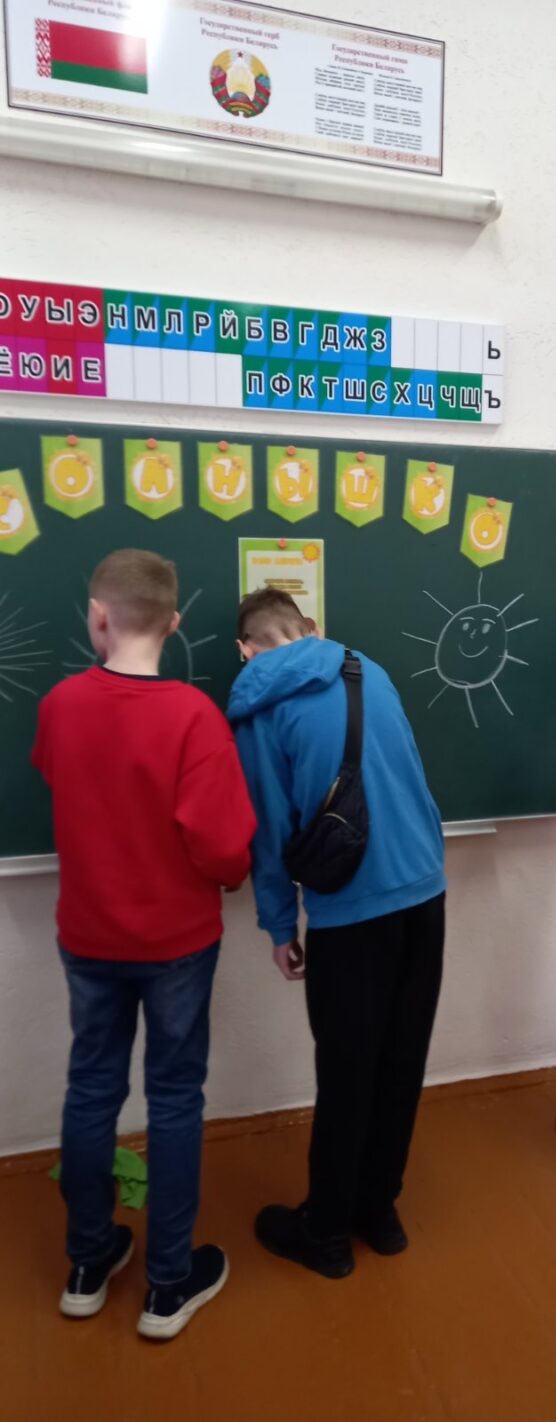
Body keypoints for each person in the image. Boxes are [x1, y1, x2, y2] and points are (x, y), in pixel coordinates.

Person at [33, 550, 256, 1339]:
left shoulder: (60, 705)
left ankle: (88, 1264)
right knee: (174, 1098)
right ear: (174, 624)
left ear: (98, 617)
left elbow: (57, 777)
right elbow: (224, 847)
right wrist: (223, 875)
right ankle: (167, 1284)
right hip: (177, 943)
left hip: (89, 934)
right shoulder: (194, 717)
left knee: (92, 1089)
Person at [228, 588, 445, 1280]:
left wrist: (278, 924)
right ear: (312, 628)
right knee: (401, 1063)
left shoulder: (258, 707)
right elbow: (410, 772)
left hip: (349, 912)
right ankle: (379, 1212)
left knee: (347, 1072)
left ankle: (325, 1232)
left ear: (245, 650)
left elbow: (268, 828)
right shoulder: (366, 669)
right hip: (424, 891)